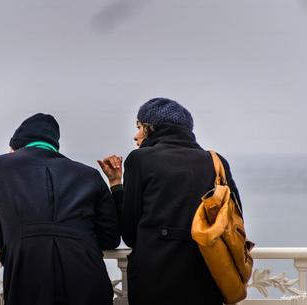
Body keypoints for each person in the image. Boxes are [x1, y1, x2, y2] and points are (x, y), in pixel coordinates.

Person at [97, 98, 242, 305]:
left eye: (139, 127)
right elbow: (235, 218)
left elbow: (130, 233)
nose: (135, 135)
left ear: (151, 128)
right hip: (208, 275)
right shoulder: (215, 161)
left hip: (154, 280)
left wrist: (116, 185)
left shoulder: (140, 160)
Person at [0, 113, 120, 305]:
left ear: (15, 147)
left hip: (28, 274)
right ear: (54, 145)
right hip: (87, 275)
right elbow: (110, 238)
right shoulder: (89, 175)